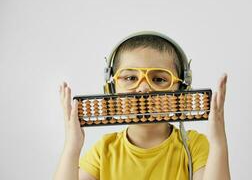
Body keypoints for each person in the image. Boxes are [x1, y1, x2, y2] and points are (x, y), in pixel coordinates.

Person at [54, 32, 231, 180]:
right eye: (130, 78)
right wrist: (72, 146)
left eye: (159, 79)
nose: (144, 88)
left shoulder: (194, 146)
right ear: (112, 89)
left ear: (181, 89)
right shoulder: (104, 150)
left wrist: (218, 144)